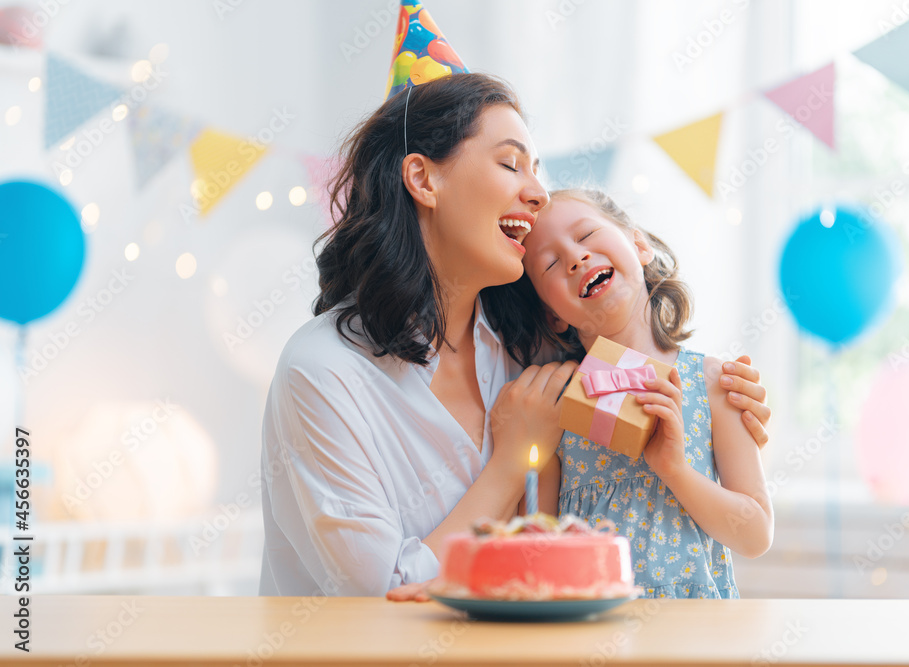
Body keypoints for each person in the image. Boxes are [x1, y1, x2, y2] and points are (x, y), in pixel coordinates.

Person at [259, 72, 771, 597]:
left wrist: (728, 394)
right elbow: (380, 597)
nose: (536, 194)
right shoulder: (323, 369)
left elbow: (634, 350)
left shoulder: (533, 351)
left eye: (536, 170)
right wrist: (510, 462)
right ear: (424, 179)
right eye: (510, 164)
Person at [521, 188, 773, 598]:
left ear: (638, 245)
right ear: (552, 316)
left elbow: (755, 535)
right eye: (550, 263)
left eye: (585, 235)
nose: (575, 257)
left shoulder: (716, 382)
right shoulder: (556, 403)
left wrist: (675, 470)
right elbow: (538, 547)